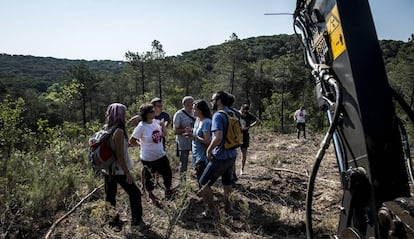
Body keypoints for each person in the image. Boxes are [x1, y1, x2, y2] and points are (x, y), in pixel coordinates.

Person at [103, 103, 147, 231]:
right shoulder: (119, 131)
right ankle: (136, 221)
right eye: (124, 113)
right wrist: (127, 172)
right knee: (135, 194)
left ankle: (113, 222)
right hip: (119, 170)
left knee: (110, 196)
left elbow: (116, 147)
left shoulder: (106, 127)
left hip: (107, 169)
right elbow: (120, 155)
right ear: (120, 115)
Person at [199, 91, 237, 217]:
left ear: (219, 100)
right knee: (227, 183)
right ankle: (228, 209)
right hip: (232, 154)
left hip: (220, 156)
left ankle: (211, 211)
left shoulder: (218, 115)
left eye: (213, 99)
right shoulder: (232, 113)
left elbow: (218, 137)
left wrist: (209, 150)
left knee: (203, 183)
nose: (211, 102)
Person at [129, 103, 174, 205]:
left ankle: (168, 190)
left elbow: (164, 135)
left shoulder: (155, 122)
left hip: (160, 154)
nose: (155, 113)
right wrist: (140, 144)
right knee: (149, 178)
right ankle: (151, 194)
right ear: (146, 114)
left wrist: (163, 126)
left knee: (167, 173)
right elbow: (131, 140)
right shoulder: (141, 127)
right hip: (148, 157)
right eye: (152, 111)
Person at [184, 99, 212, 189]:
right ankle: (204, 197)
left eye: (195, 109)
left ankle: (206, 199)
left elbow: (207, 141)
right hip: (196, 153)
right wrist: (191, 132)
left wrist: (193, 135)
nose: (193, 111)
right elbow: (197, 134)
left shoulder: (206, 122)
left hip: (203, 155)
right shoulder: (197, 120)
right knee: (199, 177)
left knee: (202, 180)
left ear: (200, 110)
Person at [173, 96, 195, 179]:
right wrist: (186, 130)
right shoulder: (179, 114)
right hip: (183, 143)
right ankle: (183, 183)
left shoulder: (194, 112)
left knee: (197, 162)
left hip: (194, 141)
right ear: (185, 104)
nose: (193, 105)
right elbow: (175, 131)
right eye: (191, 103)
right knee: (184, 163)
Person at [239, 104, 261, 175]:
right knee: (233, 154)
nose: (244, 114)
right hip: (235, 135)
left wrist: (249, 127)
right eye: (243, 113)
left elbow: (258, 121)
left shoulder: (249, 115)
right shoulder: (236, 114)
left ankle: (242, 169)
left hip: (244, 136)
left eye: (245, 113)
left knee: (244, 154)